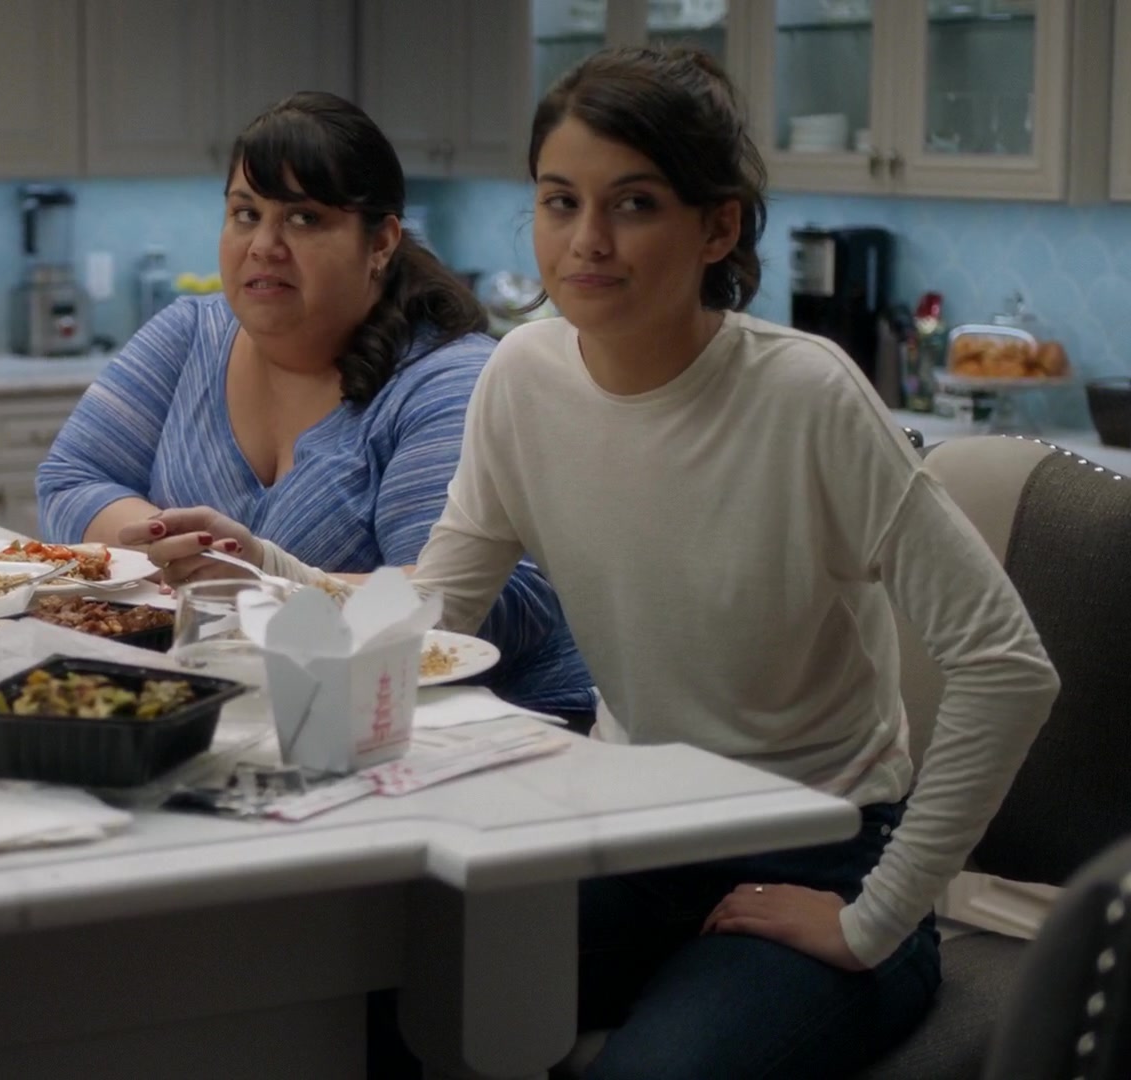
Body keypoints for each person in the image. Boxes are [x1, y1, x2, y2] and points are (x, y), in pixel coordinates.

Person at [407, 48, 1059, 1078]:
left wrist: (876, 917)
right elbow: (430, 618)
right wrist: (263, 584)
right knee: (392, 1005)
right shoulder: (522, 375)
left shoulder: (806, 397)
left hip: (826, 850)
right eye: (560, 200)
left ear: (717, 228)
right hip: (629, 834)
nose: (585, 241)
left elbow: (1007, 667)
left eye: (633, 204)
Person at [37, 91, 593, 715]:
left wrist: (257, 580)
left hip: (467, 726)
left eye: (303, 219)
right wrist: (179, 550)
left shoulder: (445, 381)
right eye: (245, 214)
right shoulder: (190, 334)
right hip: (258, 706)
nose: (263, 245)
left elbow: (470, 610)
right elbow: (70, 480)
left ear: (380, 242)